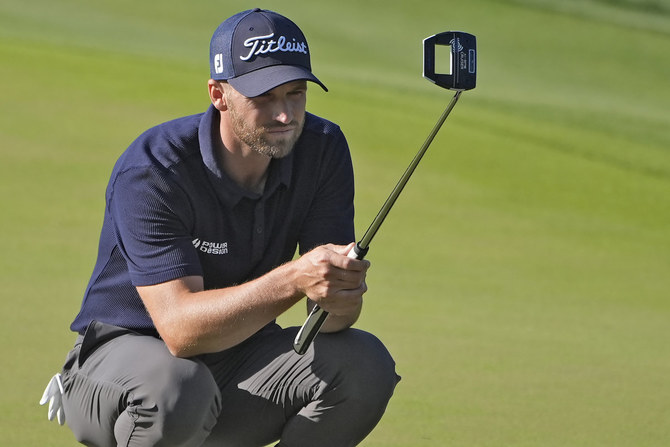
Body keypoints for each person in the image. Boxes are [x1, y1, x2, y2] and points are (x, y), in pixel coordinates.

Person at [39, 8, 399, 447]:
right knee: (179, 389)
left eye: (295, 93)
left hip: (233, 362)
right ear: (218, 94)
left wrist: (339, 293)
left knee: (364, 364)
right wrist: (296, 276)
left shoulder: (322, 150)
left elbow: (327, 322)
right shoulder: (155, 168)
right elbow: (181, 331)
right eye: (264, 97)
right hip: (122, 368)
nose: (285, 115)